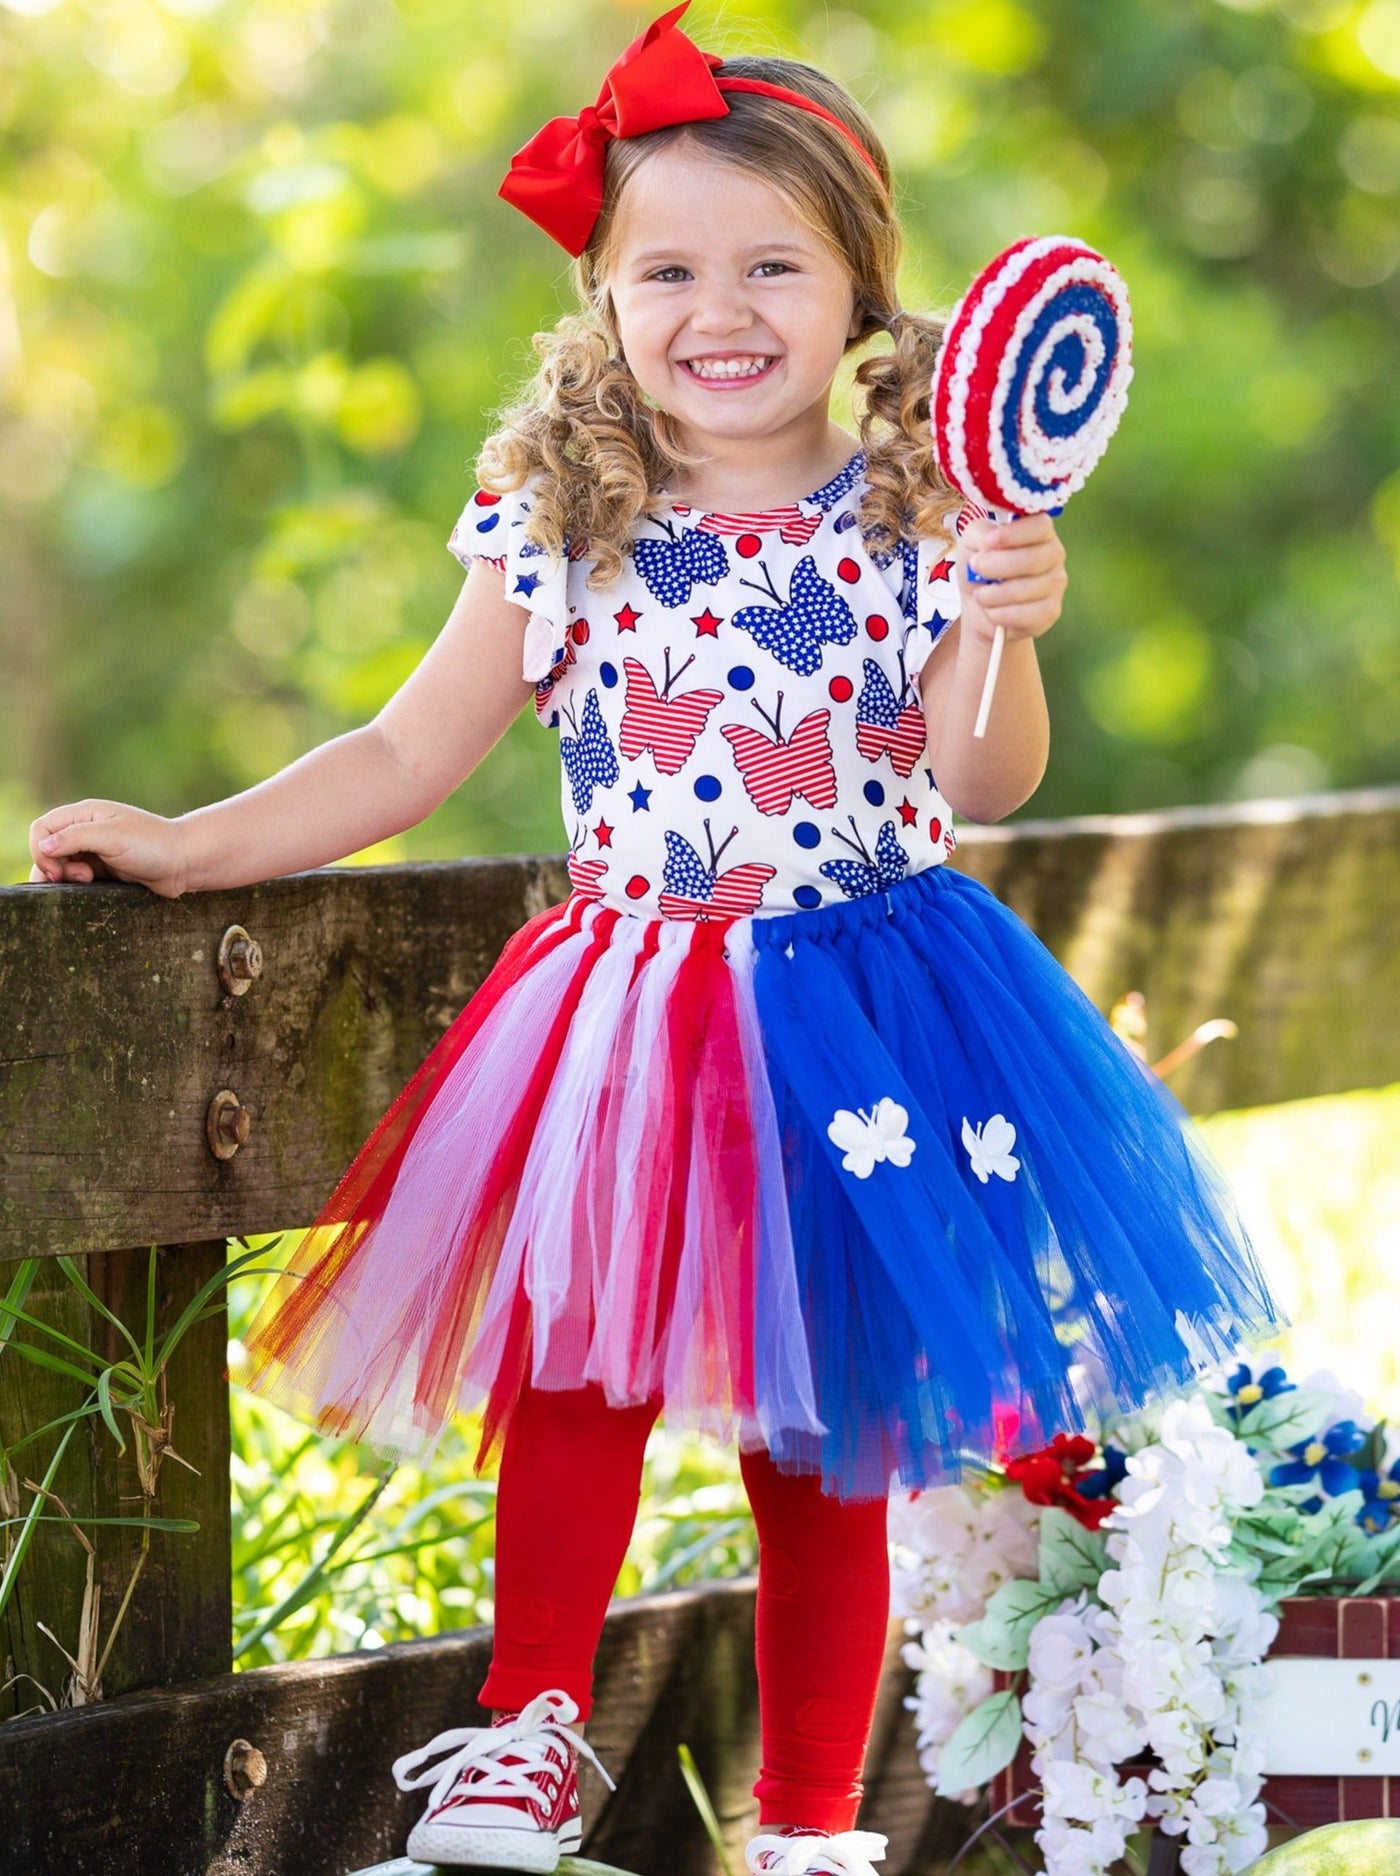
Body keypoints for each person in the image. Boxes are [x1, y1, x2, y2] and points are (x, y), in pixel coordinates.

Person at [28, 5, 1287, 1873]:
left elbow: (983, 771)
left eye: (775, 264)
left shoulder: (921, 508)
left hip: (871, 1005)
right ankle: (528, 1737)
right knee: (571, 1368)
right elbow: (403, 747)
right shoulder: (558, 515)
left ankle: (808, 1827)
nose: (722, 307)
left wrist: (1011, 609)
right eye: (668, 267)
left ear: (863, 288)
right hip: (629, 1008)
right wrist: (192, 843)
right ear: (604, 301)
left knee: (827, 1429)